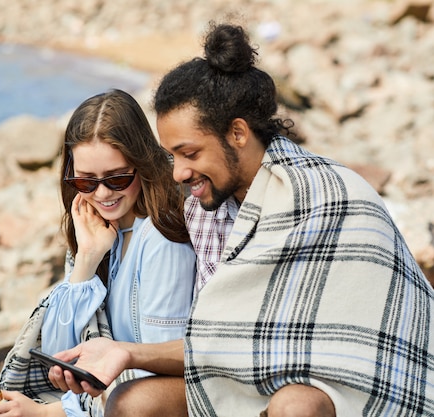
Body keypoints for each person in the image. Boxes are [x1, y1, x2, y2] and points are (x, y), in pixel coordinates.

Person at [48, 22, 434, 417]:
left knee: (296, 404)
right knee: (134, 402)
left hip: (347, 389)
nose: (178, 172)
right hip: (238, 384)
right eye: (172, 156)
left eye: (190, 153)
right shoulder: (203, 211)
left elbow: (363, 342)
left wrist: (128, 355)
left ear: (237, 133)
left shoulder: (329, 196)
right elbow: (218, 341)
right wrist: (122, 353)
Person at [0, 89, 196, 417]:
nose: (103, 194)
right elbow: (59, 352)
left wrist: (48, 414)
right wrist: (87, 259)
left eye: (117, 178)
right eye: (86, 182)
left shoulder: (163, 241)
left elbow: (156, 377)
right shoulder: (99, 232)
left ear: (143, 163)